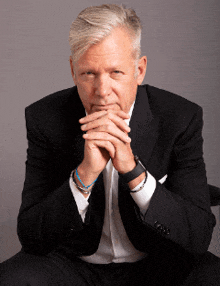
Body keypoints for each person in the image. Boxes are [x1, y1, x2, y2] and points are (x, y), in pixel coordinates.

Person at [1, 4, 220, 286]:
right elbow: (31, 234)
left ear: (139, 70)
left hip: (156, 264)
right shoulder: (45, 118)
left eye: (116, 72)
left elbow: (198, 235)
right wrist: (84, 175)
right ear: (72, 71)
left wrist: (133, 171)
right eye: (89, 74)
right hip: (73, 264)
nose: (102, 92)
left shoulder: (179, 118)